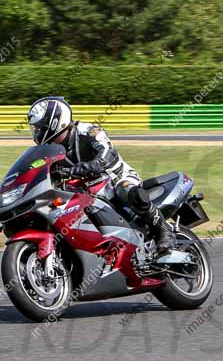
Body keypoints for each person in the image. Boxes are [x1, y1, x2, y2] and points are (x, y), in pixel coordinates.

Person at [27, 96, 174, 255]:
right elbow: (37, 167)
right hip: (84, 190)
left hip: (115, 179)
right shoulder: (50, 149)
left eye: (40, 128)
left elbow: (107, 153)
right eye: (36, 128)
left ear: (54, 123)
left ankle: (164, 231)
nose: (37, 132)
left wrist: (86, 167)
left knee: (127, 192)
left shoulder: (88, 131)